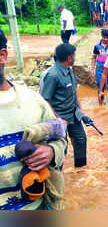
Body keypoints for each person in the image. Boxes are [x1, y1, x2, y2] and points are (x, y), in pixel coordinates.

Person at [0, 28, 66, 210]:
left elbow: (61, 139)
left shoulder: (33, 102)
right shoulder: (52, 75)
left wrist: (51, 152)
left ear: (2, 55)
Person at [41, 43, 89, 168]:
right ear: (69, 58)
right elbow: (45, 100)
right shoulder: (52, 75)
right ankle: (59, 173)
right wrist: (58, 119)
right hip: (60, 118)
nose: (75, 58)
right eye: (74, 55)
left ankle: (80, 170)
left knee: (81, 140)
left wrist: (81, 110)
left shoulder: (69, 70)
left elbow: (74, 92)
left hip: (73, 115)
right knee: (62, 147)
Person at [91, 29, 108, 104]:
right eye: (104, 37)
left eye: (107, 37)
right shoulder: (97, 46)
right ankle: (100, 103)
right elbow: (94, 58)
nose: (106, 39)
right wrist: (92, 69)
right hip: (99, 69)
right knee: (100, 87)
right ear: (102, 36)